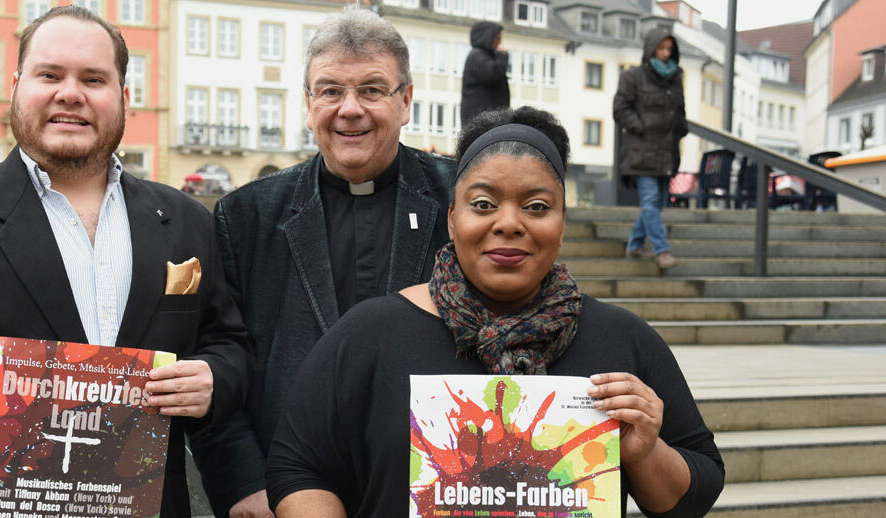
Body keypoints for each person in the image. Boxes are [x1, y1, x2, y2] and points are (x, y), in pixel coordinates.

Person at [0, 6, 249, 517]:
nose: (71, 93)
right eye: (50, 74)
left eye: (94, 78)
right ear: (17, 86)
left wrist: (214, 376)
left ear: (124, 98)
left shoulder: (184, 219)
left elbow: (228, 341)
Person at [266, 107, 723, 517]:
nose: (508, 223)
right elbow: (298, 467)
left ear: (562, 223)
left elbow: (692, 495)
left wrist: (645, 452)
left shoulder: (625, 340)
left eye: (537, 207)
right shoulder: (370, 335)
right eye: (483, 204)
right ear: (451, 218)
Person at [191, 7, 458, 518]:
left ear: (405, 102)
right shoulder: (246, 215)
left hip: (432, 489)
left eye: (372, 90)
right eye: (331, 90)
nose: (349, 108)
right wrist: (243, 482)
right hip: (286, 493)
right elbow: (220, 355)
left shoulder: (463, 200)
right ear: (308, 103)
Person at [614, 28, 687, 269]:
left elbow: (680, 111)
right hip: (640, 150)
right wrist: (641, 126)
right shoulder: (633, 77)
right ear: (651, 49)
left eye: (669, 49)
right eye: (661, 48)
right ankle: (662, 250)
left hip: (667, 152)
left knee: (655, 205)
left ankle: (634, 245)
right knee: (650, 200)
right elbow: (620, 108)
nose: (665, 54)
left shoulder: (676, 78)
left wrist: (681, 128)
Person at [460, 21, 510, 124]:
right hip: (481, 117)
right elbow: (492, 77)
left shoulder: (486, 56)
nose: (499, 42)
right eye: (498, 38)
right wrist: (502, 56)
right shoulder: (477, 55)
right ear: (488, 37)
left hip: (488, 116)